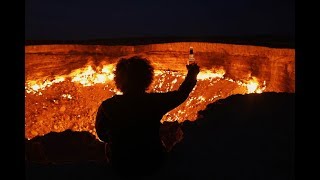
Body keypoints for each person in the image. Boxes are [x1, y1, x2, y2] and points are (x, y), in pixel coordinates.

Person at [95, 56, 200, 177]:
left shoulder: (107, 106)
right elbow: (181, 94)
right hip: (152, 162)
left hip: (121, 165)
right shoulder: (153, 102)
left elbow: (102, 135)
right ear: (146, 79)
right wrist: (192, 74)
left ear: (119, 79)